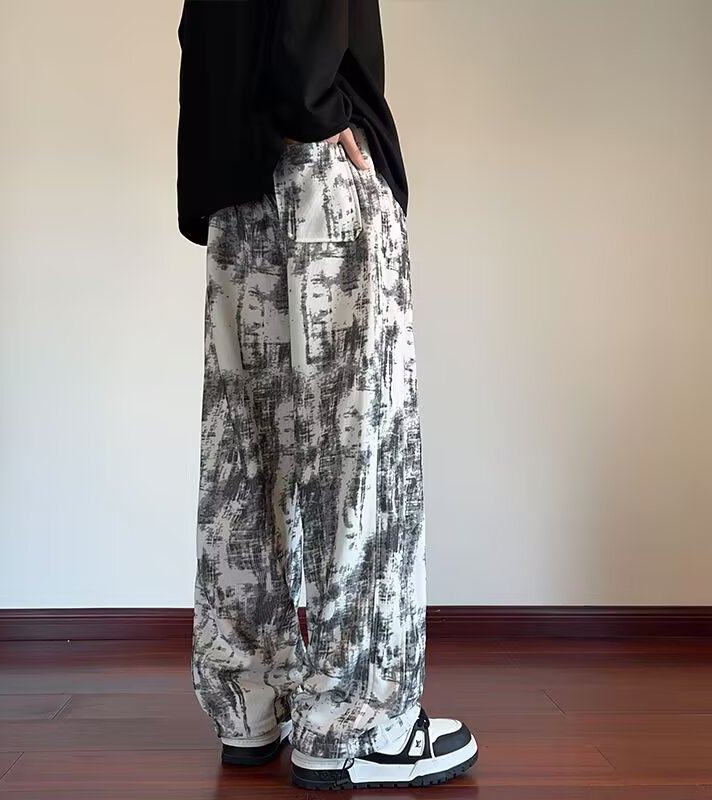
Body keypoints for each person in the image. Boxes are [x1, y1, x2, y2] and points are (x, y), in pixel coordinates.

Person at [177, 0, 477, 790]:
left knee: (247, 452)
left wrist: (216, 153)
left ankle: (249, 700)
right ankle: (362, 724)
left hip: (234, 175)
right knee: (361, 454)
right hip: (320, 168)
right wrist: (316, 110)